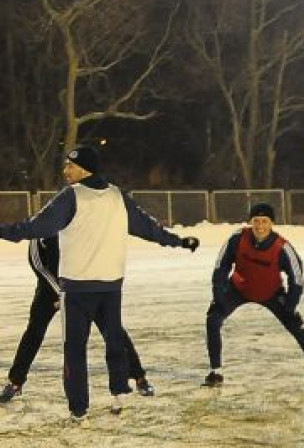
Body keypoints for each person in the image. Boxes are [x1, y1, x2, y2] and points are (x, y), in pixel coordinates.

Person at [0, 145, 199, 422]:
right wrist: (177, 241)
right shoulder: (117, 196)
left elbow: (33, 228)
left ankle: (79, 408)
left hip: (77, 288)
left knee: (76, 350)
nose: (65, 170)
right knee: (111, 340)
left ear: (84, 169)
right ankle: (117, 392)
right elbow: (148, 228)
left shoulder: (72, 196)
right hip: (105, 286)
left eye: (70, 165)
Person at [203, 202, 304, 390]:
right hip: (238, 289)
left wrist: (290, 306)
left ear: (272, 224)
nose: (260, 226)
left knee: (297, 328)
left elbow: (297, 279)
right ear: (250, 222)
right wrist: (219, 296)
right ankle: (216, 373)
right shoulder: (237, 238)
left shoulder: (282, 247)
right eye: (256, 221)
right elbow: (221, 267)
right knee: (213, 320)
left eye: (265, 221)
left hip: (271, 293)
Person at [0, 236, 156, 404]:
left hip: (84, 288)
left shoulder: (80, 223)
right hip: (50, 290)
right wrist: (61, 292)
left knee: (113, 330)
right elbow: (38, 264)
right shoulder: (42, 226)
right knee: (34, 332)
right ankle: (16, 382)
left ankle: (139, 377)